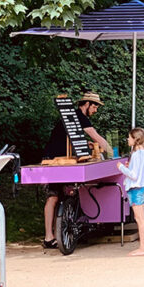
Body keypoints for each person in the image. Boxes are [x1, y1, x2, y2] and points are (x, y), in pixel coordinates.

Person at [41, 91, 112, 249]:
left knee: (56, 196)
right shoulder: (80, 116)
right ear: (86, 104)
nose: (95, 110)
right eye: (94, 106)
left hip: (55, 158)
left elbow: (72, 139)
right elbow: (96, 136)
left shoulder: (72, 117)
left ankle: (52, 235)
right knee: (53, 196)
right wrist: (113, 152)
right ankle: (51, 235)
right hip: (56, 161)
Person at [117, 127, 144, 257]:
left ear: (135, 139)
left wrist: (121, 168)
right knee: (140, 218)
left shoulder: (137, 155)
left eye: (130, 137)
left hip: (136, 188)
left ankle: (143, 248)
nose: (128, 139)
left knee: (140, 218)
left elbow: (133, 175)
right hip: (142, 187)